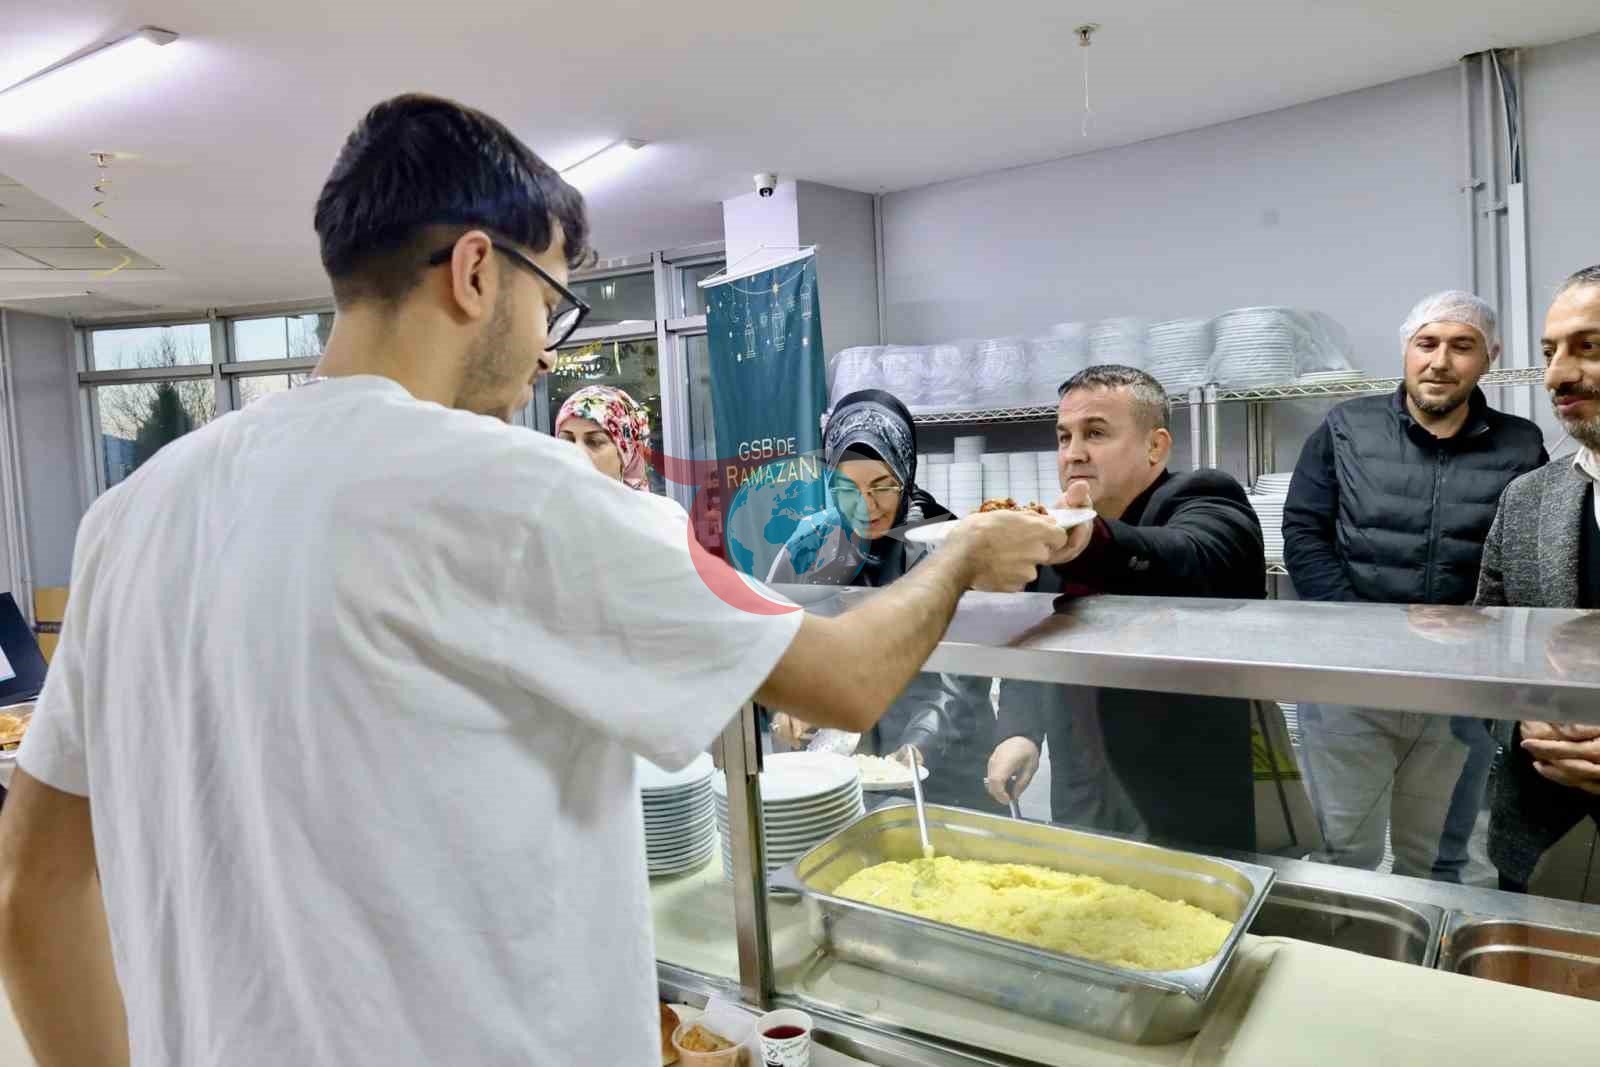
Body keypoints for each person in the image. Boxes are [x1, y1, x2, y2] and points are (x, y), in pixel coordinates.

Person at [0, 95, 1080, 1067]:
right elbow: (844, 677)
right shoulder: (517, 489)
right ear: (477, 271)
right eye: (551, 301)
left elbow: (32, 890)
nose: (547, 349)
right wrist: (965, 555)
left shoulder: (131, 514)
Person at [1282, 290, 1546, 882]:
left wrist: (1481, 623)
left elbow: (1530, 555)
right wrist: (1362, 627)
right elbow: (1304, 531)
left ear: (1489, 358)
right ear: (1407, 350)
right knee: (1343, 853)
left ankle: (1430, 968)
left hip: (1458, 691)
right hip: (1350, 680)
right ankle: (1343, 964)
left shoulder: (1520, 443)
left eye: (1462, 346)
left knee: (1440, 860)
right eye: (1427, 344)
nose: (1440, 361)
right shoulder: (1346, 427)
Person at [986, 365, 1265, 852]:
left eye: (1095, 433)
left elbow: (1192, 557)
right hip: (1081, 788)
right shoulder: (1062, 526)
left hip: (1182, 795)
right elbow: (1037, 633)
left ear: (1155, 446)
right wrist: (1020, 731)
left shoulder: (1202, 496)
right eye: (1063, 436)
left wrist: (1093, 540)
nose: (1073, 453)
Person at [766, 389, 999, 811]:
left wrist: (918, 745)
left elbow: (963, 680)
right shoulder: (810, 546)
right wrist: (786, 706)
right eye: (847, 489)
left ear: (906, 474)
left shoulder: (943, 544)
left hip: (943, 774)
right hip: (837, 776)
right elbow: (777, 638)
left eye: (882, 486)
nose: (865, 506)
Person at [1475, 264, 1600, 893]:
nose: (1556, 376)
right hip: (1536, 831)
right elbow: (1491, 653)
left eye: (1590, 347)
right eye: (1551, 352)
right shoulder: (1527, 498)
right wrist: (1525, 723)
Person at [555, 384, 653, 488]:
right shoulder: (544, 503)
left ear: (628, 453)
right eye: (566, 442)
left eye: (594, 442)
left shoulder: (654, 504)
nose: (578, 452)